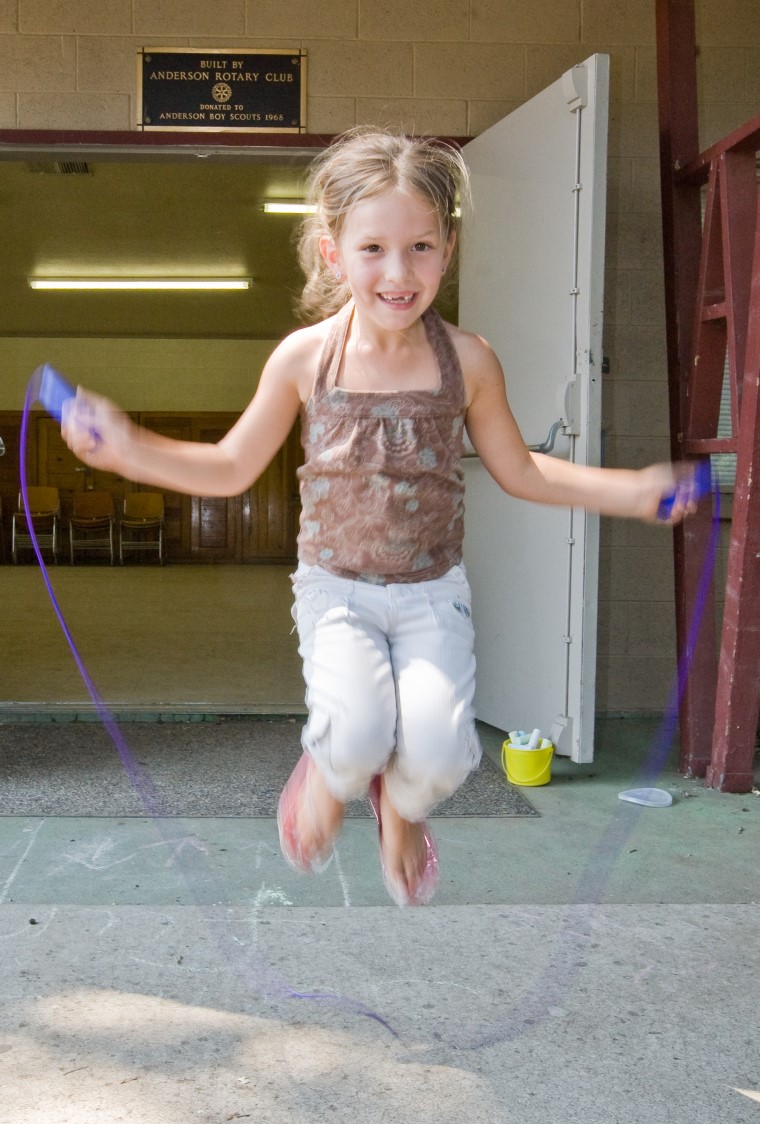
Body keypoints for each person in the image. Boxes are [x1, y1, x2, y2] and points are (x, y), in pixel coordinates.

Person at [62, 127, 697, 908]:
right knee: (356, 734)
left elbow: (520, 470)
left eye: (421, 247)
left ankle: (399, 807)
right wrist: (129, 450)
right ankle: (331, 777)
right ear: (332, 252)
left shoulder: (467, 360)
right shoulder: (305, 358)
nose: (399, 273)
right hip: (336, 590)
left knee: (442, 756)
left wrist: (629, 490)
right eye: (373, 249)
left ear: (448, 247)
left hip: (433, 590)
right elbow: (228, 468)